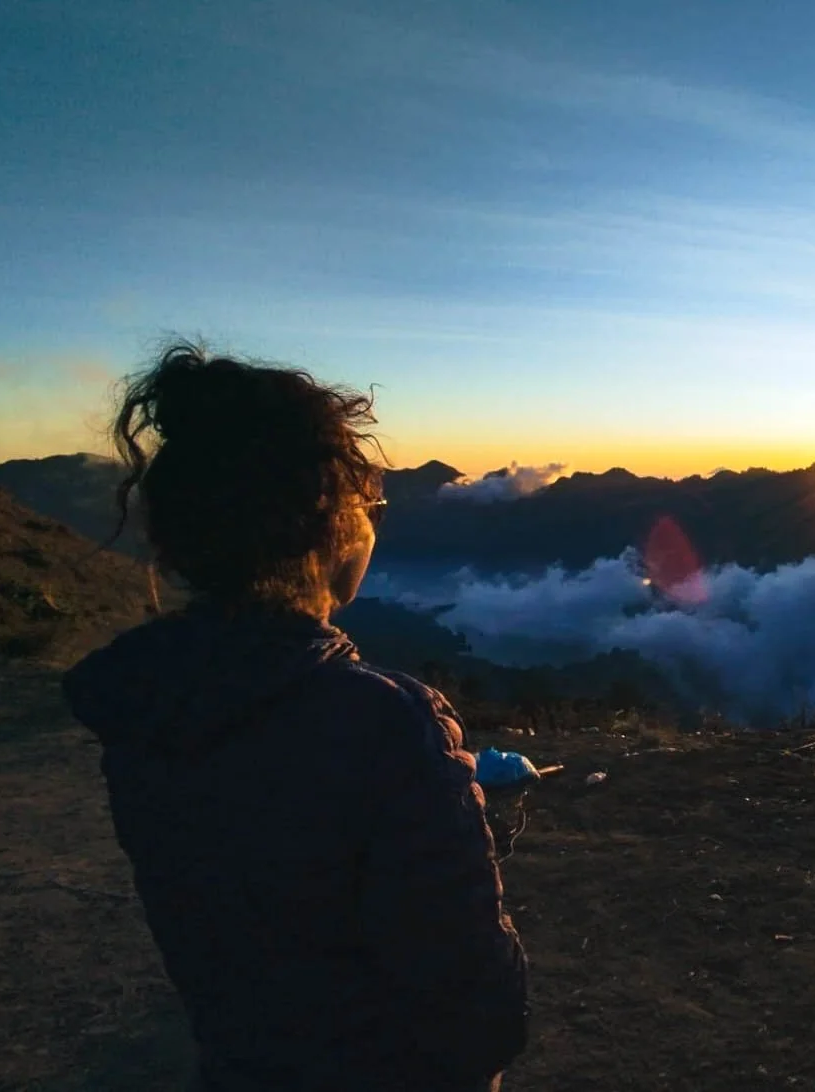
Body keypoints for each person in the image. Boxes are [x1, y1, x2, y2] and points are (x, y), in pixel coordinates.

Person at [63, 344, 527, 1091]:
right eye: (369, 507)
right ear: (327, 529)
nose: (374, 526)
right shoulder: (385, 728)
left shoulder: (145, 705)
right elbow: (477, 1002)